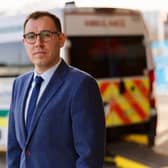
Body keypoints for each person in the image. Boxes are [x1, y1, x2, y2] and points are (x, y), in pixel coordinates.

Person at [7, 11, 105, 168]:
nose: (38, 42)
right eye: (31, 36)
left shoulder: (81, 85)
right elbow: (14, 149)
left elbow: (89, 158)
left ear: (61, 39)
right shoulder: (19, 84)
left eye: (46, 35)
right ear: (24, 41)